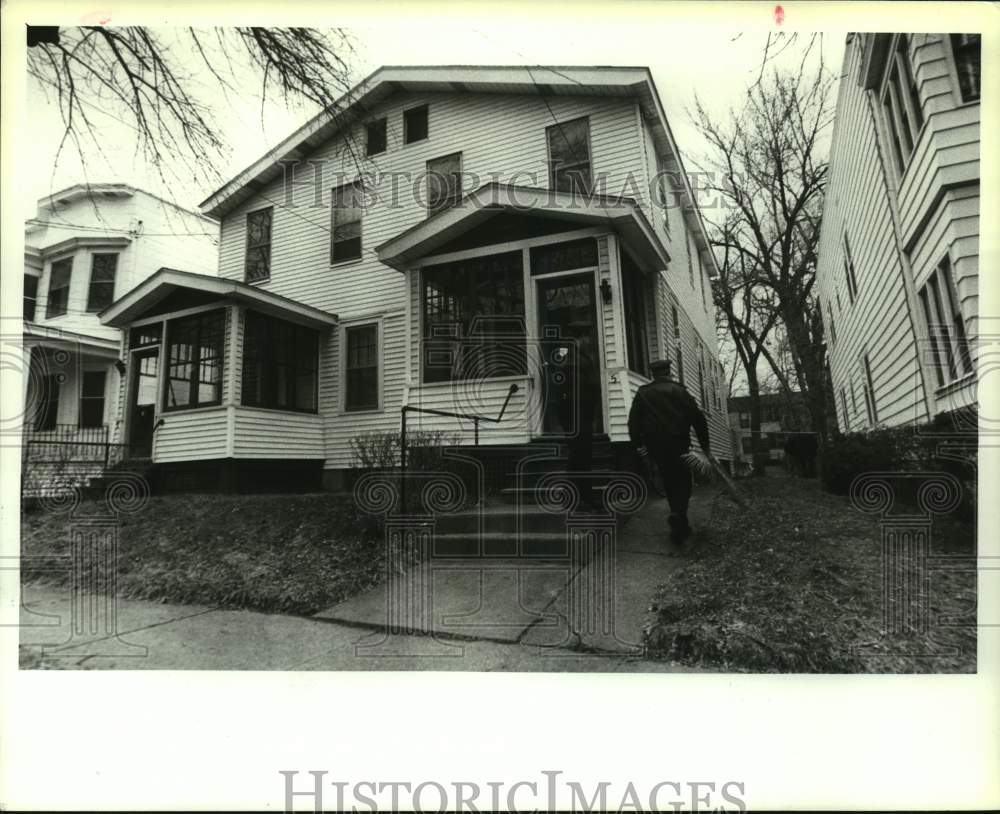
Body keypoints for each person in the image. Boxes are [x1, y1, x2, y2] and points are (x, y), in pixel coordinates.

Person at [628, 358, 713, 542]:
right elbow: (699, 419)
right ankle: (679, 515)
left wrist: (638, 445)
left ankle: (678, 518)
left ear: (653, 374)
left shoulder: (643, 393)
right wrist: (705, 445)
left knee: (668, 480)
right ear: (669, 372)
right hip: (679, 445)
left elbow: (633, 423)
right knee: (683, 481)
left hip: (656, 447)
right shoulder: (680, 391)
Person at [552, 323, 601, 510]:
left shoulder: (579, 358)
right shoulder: (570, 358)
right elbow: (564, 385)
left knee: (580, 455)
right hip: (575, 413)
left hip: (581, 412)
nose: (589, 341)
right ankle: (578, 496)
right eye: (586, 337)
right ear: (579, 338)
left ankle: (576, 496)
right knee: (579, 455)